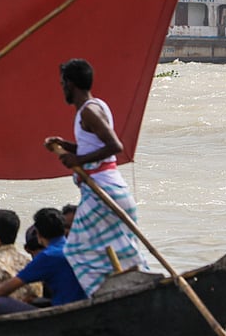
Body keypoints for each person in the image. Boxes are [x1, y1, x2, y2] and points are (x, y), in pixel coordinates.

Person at [45, 58, 148, 297]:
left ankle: (103, 297)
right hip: (112, 191)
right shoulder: (96, 107)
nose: (62, 89)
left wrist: (78, 161)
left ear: (70, 84)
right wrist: (66, 147)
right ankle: (132, 291)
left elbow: (114, 145)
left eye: (62, 84)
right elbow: (93, 146)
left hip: (103, 194)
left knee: (76, 252)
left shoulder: (89, 110)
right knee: (123, 250)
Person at [0, 208, 87, 318]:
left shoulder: (48, 256)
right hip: (78, 305)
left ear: (38, 234)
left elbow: (10, 285)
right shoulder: (76, 248)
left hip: (65, 314)